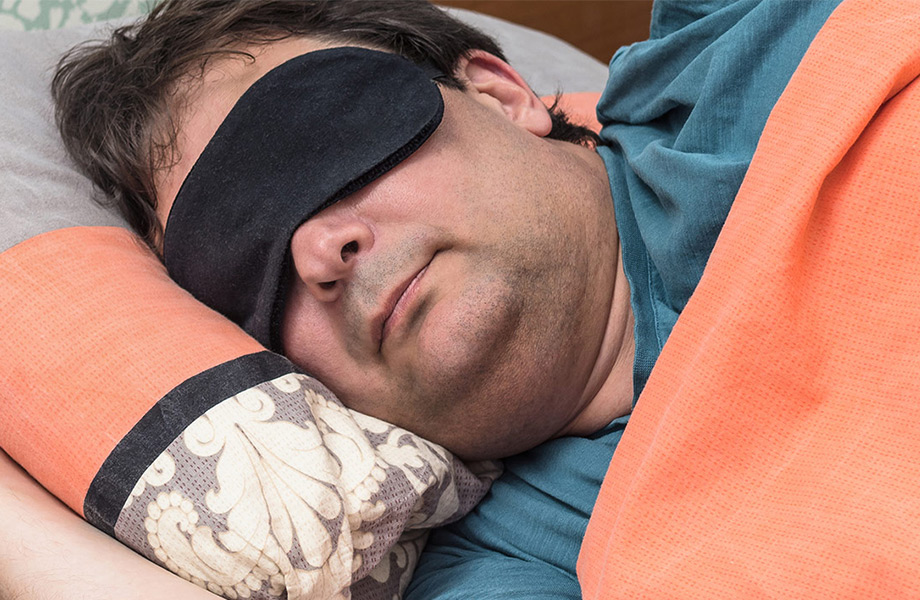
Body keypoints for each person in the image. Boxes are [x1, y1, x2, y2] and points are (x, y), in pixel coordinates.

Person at [0, 0, 848, 598]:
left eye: (316, 146)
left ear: (501, 94)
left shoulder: (772, 40)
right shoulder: (515, 565)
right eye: (244, 274)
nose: (317, 253)